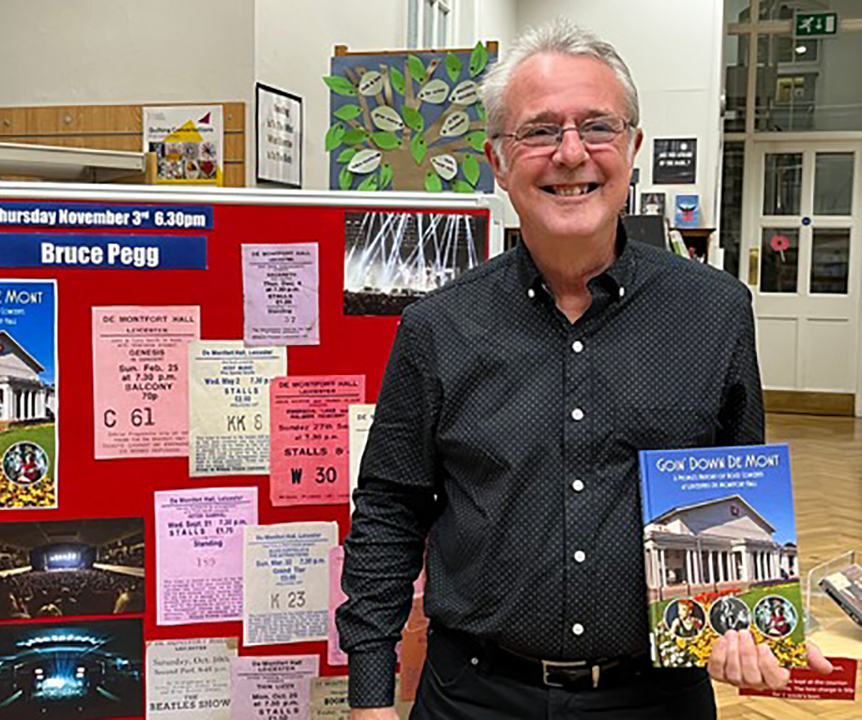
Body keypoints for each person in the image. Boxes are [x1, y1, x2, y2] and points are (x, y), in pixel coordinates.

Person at [338, 19, 832, 720]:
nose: (571, 153)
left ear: (631, 147)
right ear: (499, 161)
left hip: (656, 697)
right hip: (474, 697)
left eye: (596, 126)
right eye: (539, 131)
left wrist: (750, 619)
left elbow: (736, 492)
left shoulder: (715, 312)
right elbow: (390, 510)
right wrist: (369, 699)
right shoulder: (437, 328)